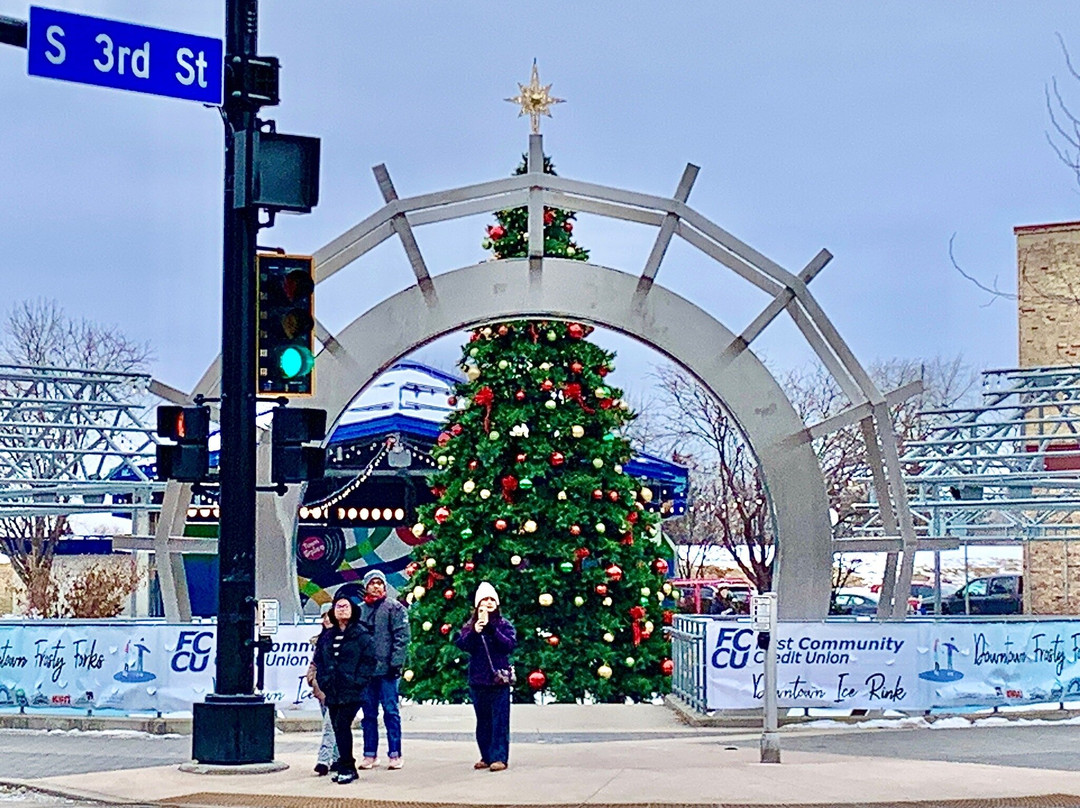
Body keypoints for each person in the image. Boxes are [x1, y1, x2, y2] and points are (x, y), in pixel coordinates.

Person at [455, 581, 516, 772]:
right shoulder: (470, 626)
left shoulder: (503, 624)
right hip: (478, 679)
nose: (488, 603)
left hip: (498, 680)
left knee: (499, 720)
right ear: (477, 604)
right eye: (484, 600)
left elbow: (509, 645)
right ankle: (486, 755)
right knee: (483, 720)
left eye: (491, 599)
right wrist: (475, 631)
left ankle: (499, 757)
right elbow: (464, 646)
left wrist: (491, 630)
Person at [313, 595, 375, 784]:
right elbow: (320, 660)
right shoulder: (327, 636)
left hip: (352, 690)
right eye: (338, 606)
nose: (341, 609)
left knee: (341, 725)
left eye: (345, 606)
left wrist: (358, 681)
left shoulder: (361, 634)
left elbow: (369, 660)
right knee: (338, 727)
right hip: (332, 690)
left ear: (353, 610)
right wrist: (323, 681)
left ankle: (347, 766)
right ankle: (345, 766)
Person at [357, 568, 410, 770]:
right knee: (368, 714)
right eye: (373, 583)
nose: (377, 587)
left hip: (387, 671)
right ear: (366, 587)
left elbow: (401, 637)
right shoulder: (360, 610)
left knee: (391, 711)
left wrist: (395, 664)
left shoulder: (394, 608)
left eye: (380, 583)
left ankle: (395, 753)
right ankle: (370, 753)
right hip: (367, 672)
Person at [306, 608, 338, 776]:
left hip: (336, 689)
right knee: (333, 725)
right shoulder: (320, 642)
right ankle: (337, 758)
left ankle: (323, 760)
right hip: (321, 689)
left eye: (329, 615)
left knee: (329, 725)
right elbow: (314, 664)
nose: (326, 619)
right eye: (324, 616)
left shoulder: (343, 639)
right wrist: (312, 679)